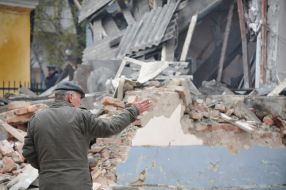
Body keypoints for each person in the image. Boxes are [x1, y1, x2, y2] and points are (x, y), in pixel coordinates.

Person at [22, 81, 152, 190]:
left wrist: (48, 169)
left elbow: (28, 152)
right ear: (70, 96)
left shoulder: (36, 119)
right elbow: (110, 127)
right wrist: (132, 111)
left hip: (48, 184)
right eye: (79, 98)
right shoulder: (81, 116)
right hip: (77, 184)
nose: (80, 102)